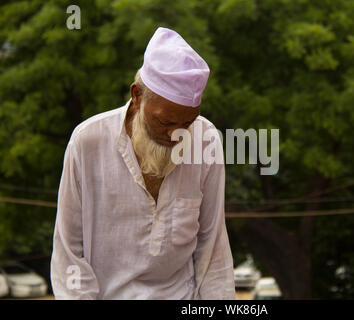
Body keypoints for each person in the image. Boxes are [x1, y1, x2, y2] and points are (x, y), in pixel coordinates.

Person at [50, 27, 236, 299]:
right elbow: (69, 254)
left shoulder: (206, 140)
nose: (176, 134)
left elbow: (212, 248)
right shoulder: (87, 142)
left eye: (187, 122)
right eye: (164, 121)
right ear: (137, 96)